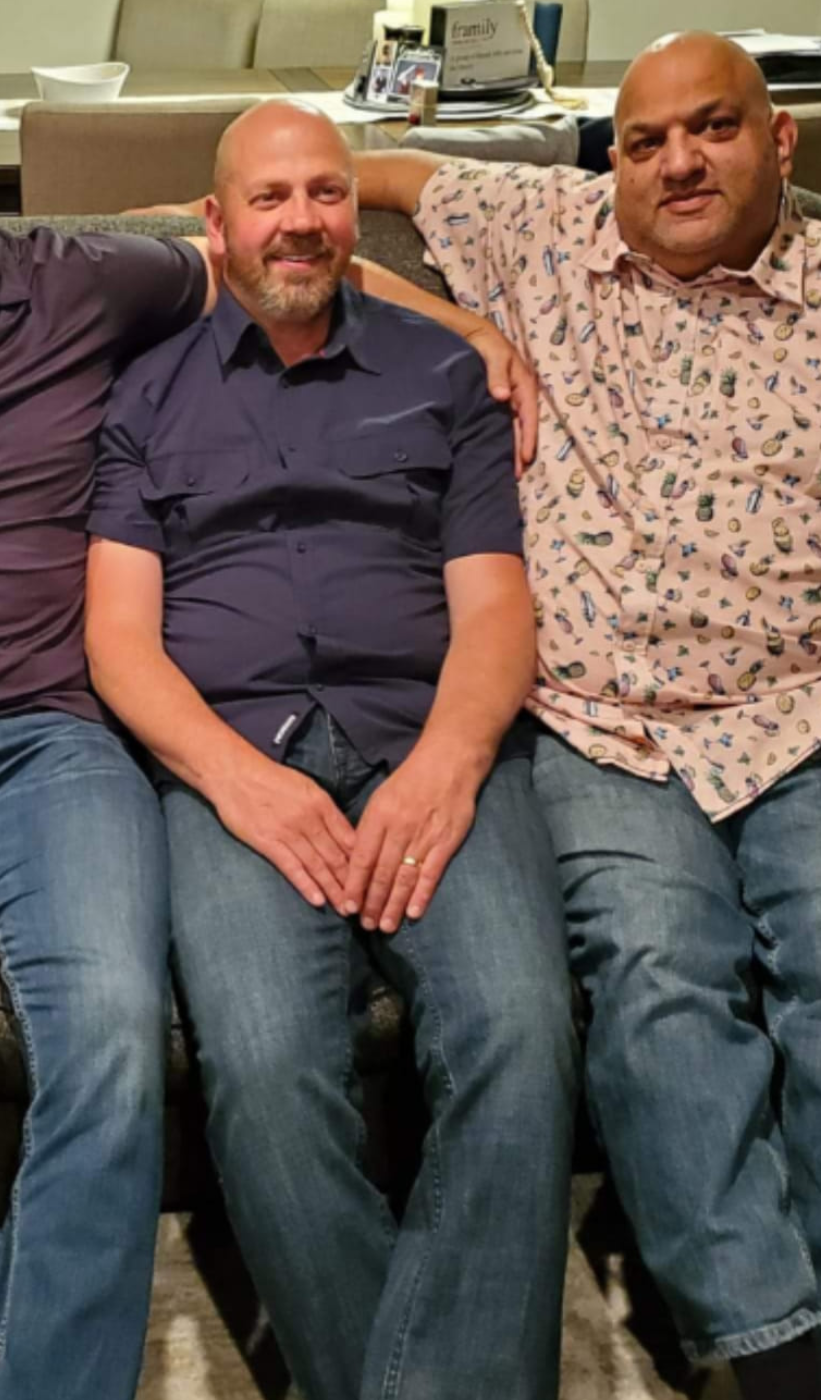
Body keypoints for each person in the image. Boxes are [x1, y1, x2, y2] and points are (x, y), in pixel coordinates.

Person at [0, 48, 540, 1400]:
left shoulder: (89, 279)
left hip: (55, 736)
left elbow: (276, 252)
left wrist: (465, 328)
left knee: (109, 1048)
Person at [84, 99, 577, 1400]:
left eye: (326, 192)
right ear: (215, 221)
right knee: (261, 1065)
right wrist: (237, 780)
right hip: (233, 759)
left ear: (355, 211)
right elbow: (119, 640)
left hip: (431, 735)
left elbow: (495, 609)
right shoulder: (142, 390)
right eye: (268, 197)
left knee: (523, 1030)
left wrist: (450, 765)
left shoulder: (444, 374)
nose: (300, 220)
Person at [354, 30, 821, 1400]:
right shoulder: (545, 226)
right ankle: (776, 1348)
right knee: (658, 986)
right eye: (644, 140)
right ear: (607, 158)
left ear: (780, 140)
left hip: (803, 716)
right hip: (604, 728)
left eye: (713, 127)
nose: (679, 162)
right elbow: (333, 181)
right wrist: (466, 322)